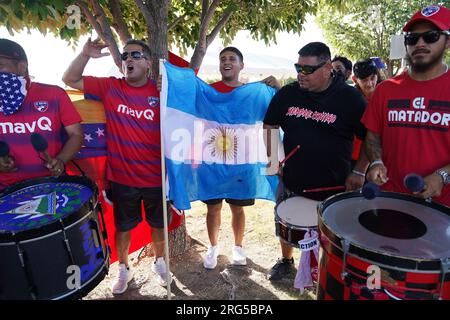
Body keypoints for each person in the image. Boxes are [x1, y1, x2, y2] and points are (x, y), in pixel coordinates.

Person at [62, 38, 172, 294]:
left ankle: (160, 262)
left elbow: (193, 100)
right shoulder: (109, 87)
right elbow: (69, 78)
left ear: (147, 63)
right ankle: (124, 268)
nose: (128, 60)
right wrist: (85, 54)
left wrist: (170, 86)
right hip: (122, 178)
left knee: (159, 225)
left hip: (157, 178)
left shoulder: (162, 91)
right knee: (123, 228)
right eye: (124, 57)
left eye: (135, 55)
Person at [263, 42, 368, 281]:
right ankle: (286, 260)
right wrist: (272, 160)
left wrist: (360, 172)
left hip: (333, 185)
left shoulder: (350, 98)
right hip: (292, 179)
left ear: (328, 67)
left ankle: (324, 271)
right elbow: (269, 124)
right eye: (298, 67)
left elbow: (370, 137)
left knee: (330, 236)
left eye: (308, 69)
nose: (301, 74)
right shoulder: (288, 93)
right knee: (287, 224)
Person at [202, 46, 281, 270]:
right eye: (223, 59)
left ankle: (238, 247)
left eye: (232, 59)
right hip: (213, 161)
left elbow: (274, 111)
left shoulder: (252, 93)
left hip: (241, 163)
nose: (227, 62)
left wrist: (277, 87)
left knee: (238, 208)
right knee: (213, 208)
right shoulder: (209, 91)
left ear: (241, 65)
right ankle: (213, 247)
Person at [363, 5, 450, 207]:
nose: (419, 43)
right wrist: (376, 162)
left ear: (447, 42)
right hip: (390, 200)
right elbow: (373, 136)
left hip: (443, 208)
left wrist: (442, 176)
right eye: (412, 38)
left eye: (430, 36)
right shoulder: (386, 90)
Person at [0, 39, 83, 190]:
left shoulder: (54, 94)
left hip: (52, 185)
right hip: (6, 190)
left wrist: (61, 160)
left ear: (22, 66)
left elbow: (76, 134)